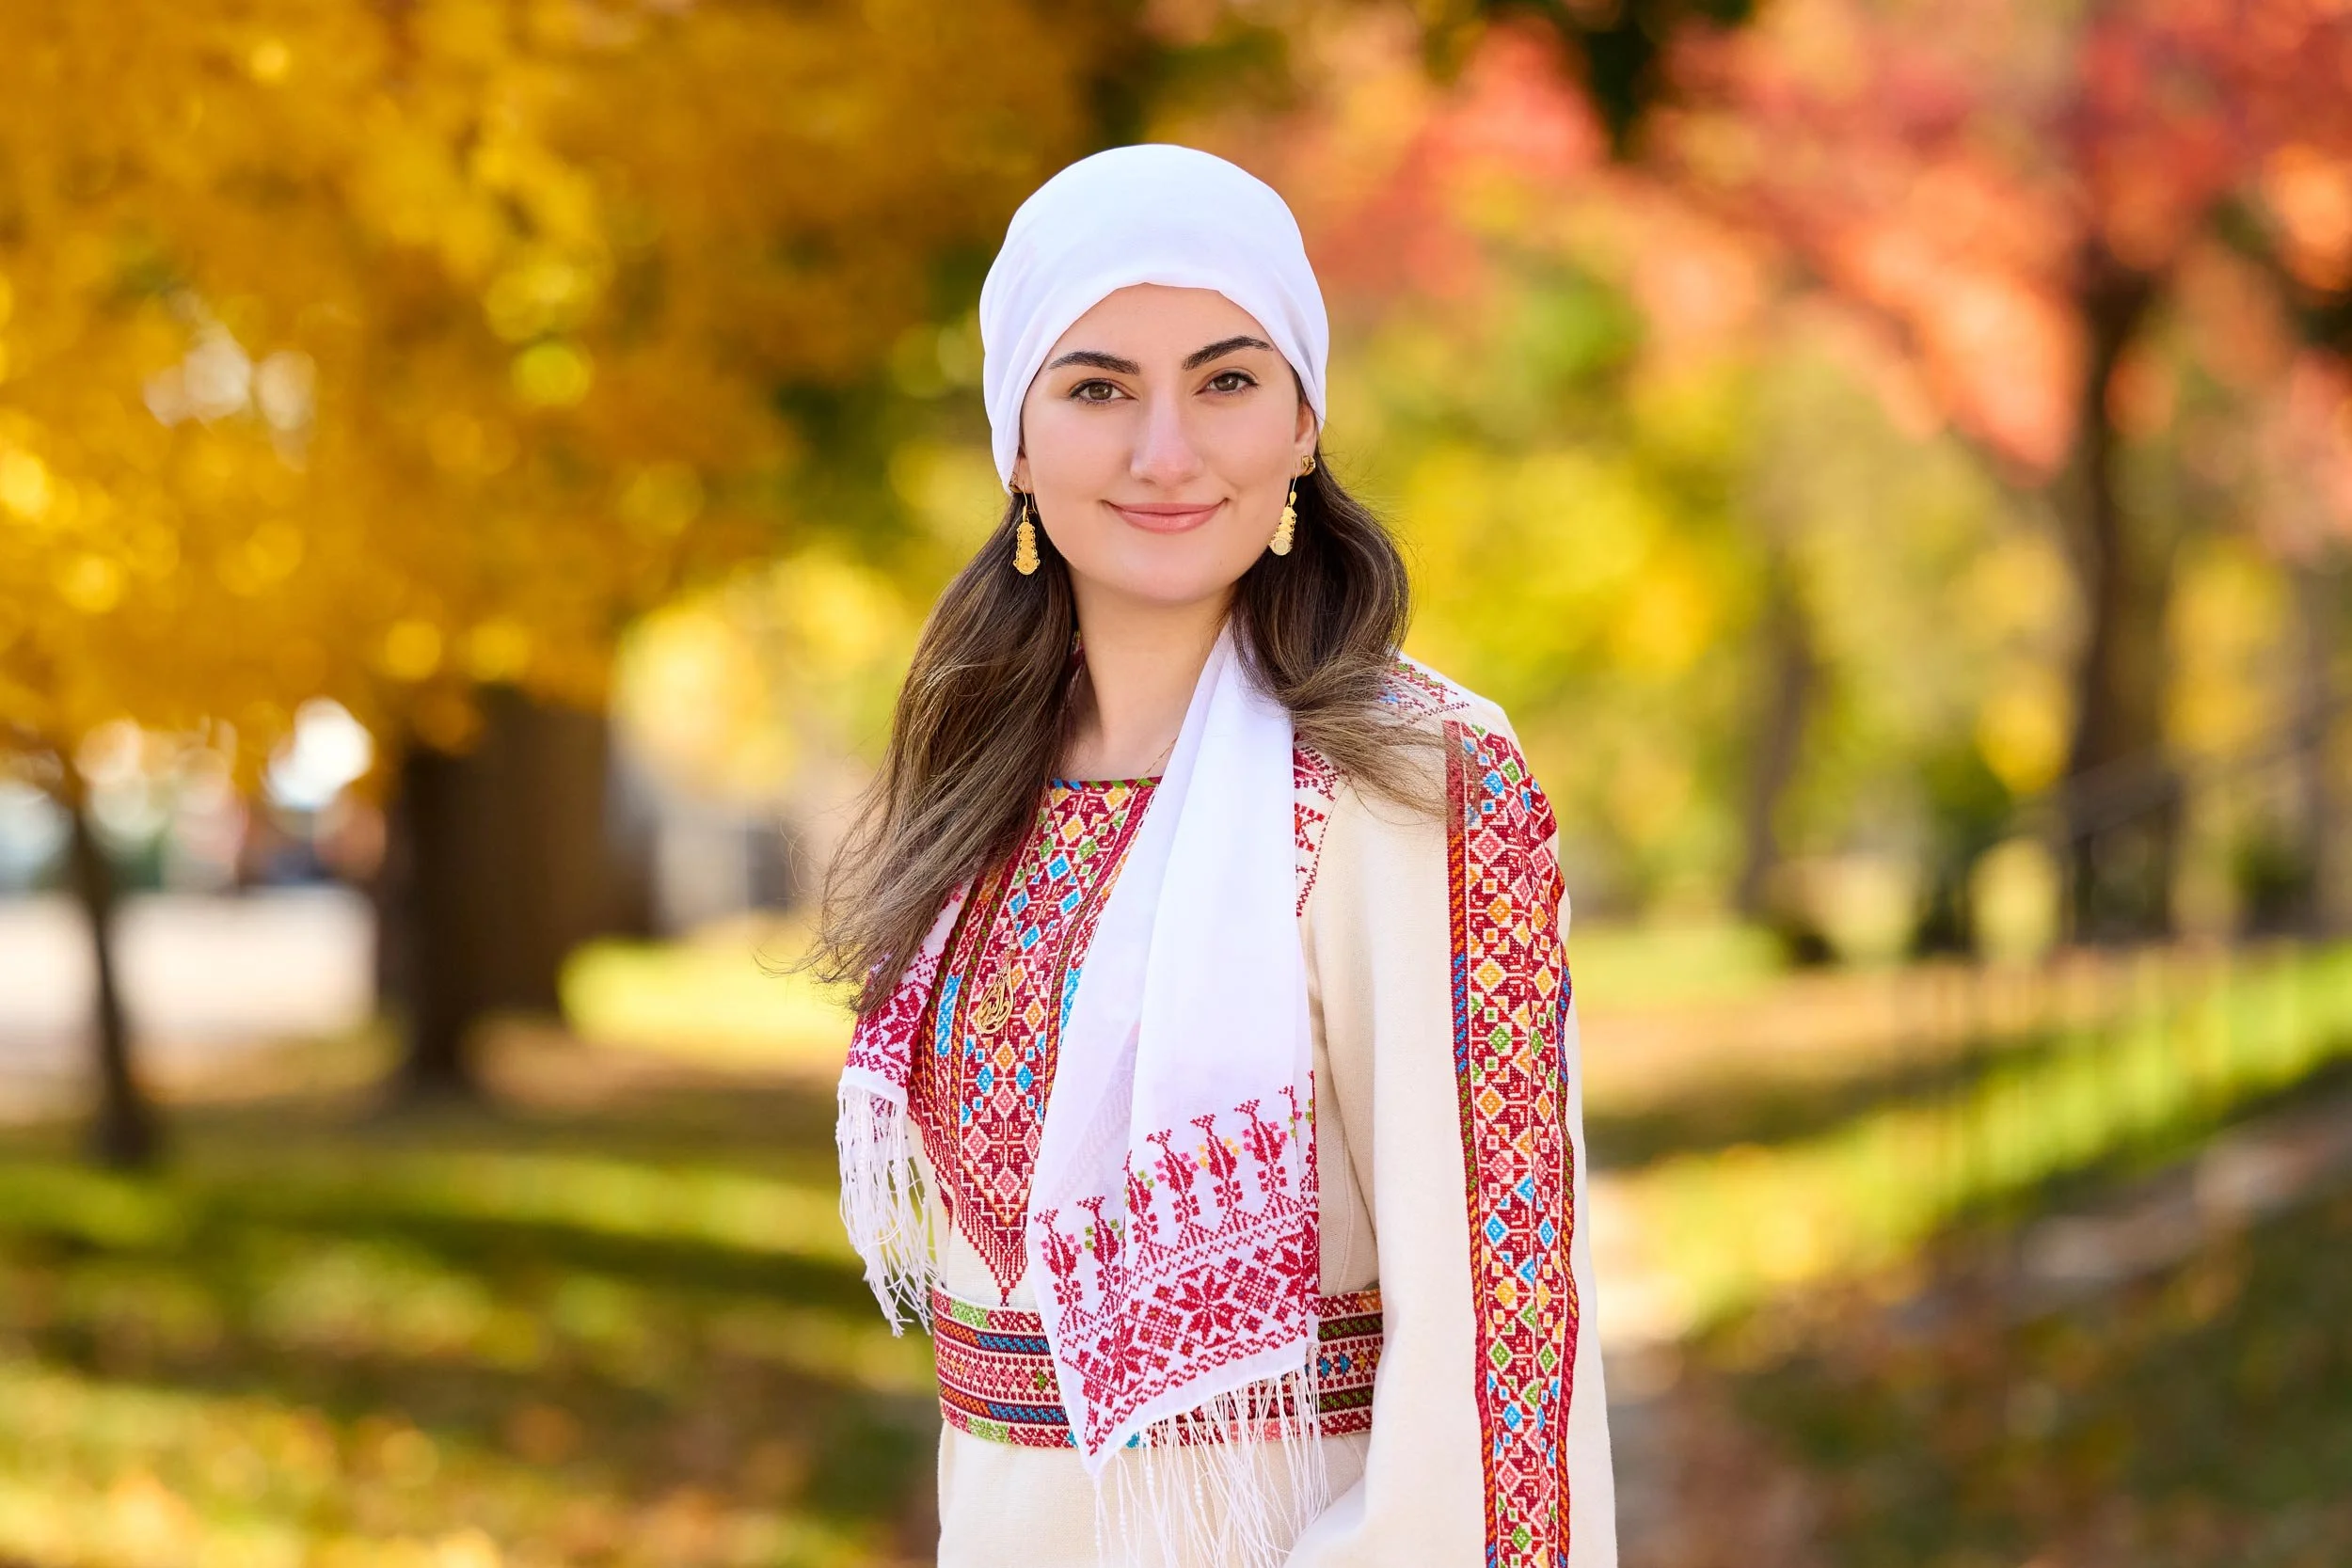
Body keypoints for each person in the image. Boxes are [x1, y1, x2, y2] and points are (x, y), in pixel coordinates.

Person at [817, 143, 1614, 1567]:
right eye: (1098, 386)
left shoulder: (1415, 783)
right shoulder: (977, 778)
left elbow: (1501, 1361)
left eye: (1227, 380)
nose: (1166, 450)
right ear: (1014, 434)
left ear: (1304, 422)